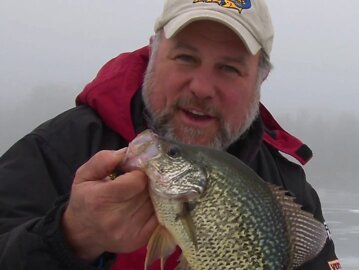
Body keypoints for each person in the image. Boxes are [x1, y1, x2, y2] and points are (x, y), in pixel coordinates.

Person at [0, 0, 340, 269]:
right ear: (152, 54)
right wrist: (70, 237)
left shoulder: (288, 185)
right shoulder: (58, 149)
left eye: (229, 68)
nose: (202, 87)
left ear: (260, 79)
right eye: (186, 58)